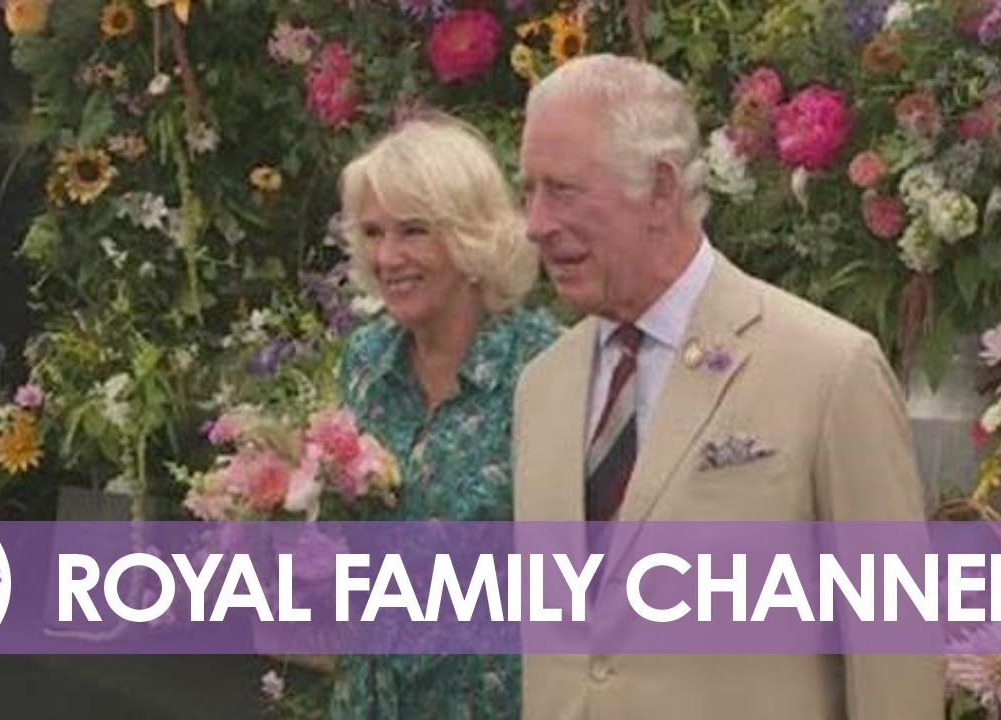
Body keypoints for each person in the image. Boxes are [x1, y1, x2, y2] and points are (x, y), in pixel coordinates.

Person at [511, 54, 944, 718]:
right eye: (528, 191)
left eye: (563, 190)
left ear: (659, 190)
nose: (535, 223)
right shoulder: (541, 389)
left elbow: (897, 662)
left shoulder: (829, 371)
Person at [329, 112, 559, 719]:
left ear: (470, 235)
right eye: (373, 233)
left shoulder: (544, 370)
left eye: (412, 231)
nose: (388, 256)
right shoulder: (366, 360)